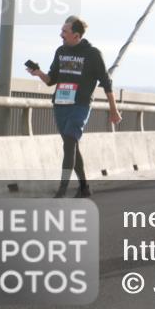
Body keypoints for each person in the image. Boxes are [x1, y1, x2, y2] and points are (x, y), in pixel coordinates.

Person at [26, 15, 121, 197]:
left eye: (64, 31)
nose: (61, 34)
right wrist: (38, 73)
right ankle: (84, 187)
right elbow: (50, 80)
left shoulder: (93, 54)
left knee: (69, 142)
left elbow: (107, 83)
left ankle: (62, 189)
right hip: (60, 105)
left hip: (80, 105)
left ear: (76, 35)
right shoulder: (61, 51)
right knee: (72, 145)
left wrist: (114, 110)